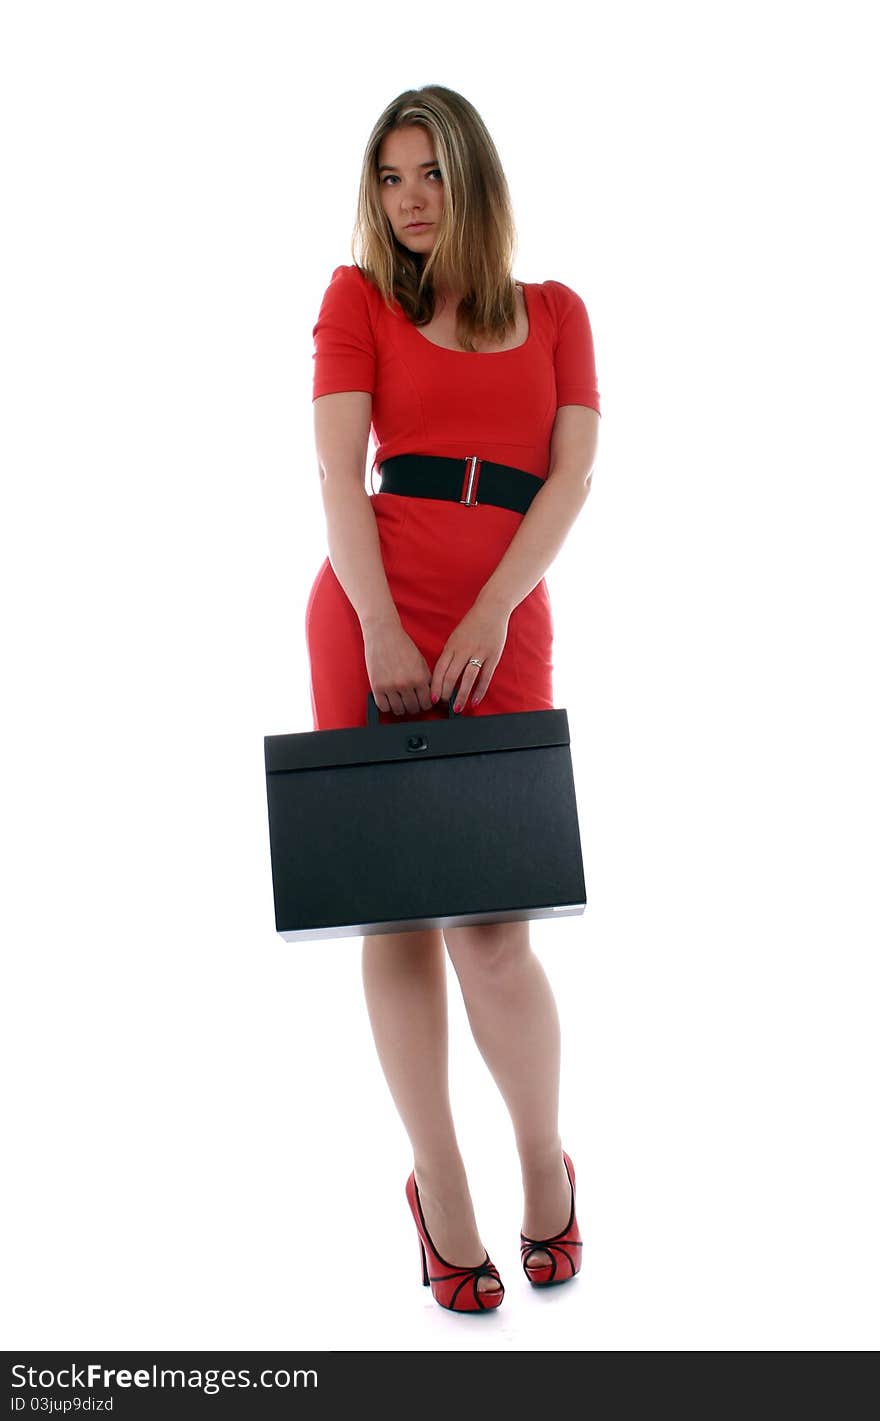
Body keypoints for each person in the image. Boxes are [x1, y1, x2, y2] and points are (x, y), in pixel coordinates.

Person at [304, 85, 601, 1313]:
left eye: (430, 173)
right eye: (390, 177)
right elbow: (335, 469)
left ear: (472, 178)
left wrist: (488, 608)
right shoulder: (355, 300)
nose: (410, 200)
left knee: (493, 932)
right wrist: (379, 621)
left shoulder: (555, 313)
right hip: (370, 611)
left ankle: (546, 1160)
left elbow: (570, 477)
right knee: (396, 920)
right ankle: (440, 1182)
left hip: (501, 622)